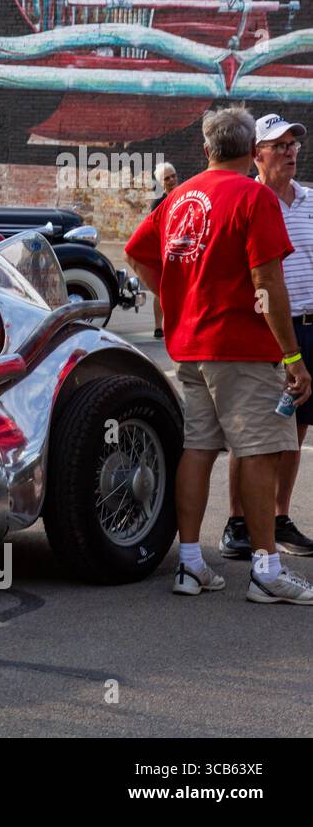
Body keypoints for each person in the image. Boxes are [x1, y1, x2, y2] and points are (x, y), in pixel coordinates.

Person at [124, 106, 313, 604]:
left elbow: (136, 252)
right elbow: (267, 281)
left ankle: (190, 564)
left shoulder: (180, 196)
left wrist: (172, 298)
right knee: (260, 451)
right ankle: (267, 570)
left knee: (200, 448)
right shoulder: (254, 196)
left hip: (191, 346)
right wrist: (292, 357)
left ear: (206, 149)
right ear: (252, 152)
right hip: (243, 347)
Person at [220, 113, 313, 559]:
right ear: (256, 154)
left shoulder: (311, 201)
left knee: (296, 427)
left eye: (293, 144)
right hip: (264, 331)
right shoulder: (248, 200)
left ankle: (279, 518)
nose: (290, 151)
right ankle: (238, 522)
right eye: (279, 145)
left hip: (308, 329)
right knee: (252, 432)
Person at [149, 161, 178, 339]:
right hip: (164, 250)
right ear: (161, 182)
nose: (171, 179)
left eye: (173, 175)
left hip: (184, 249)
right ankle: (158, 326)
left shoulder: (187, 193)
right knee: (161, 290)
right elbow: (152, 230)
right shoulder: (158, 204)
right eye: (167, 178)